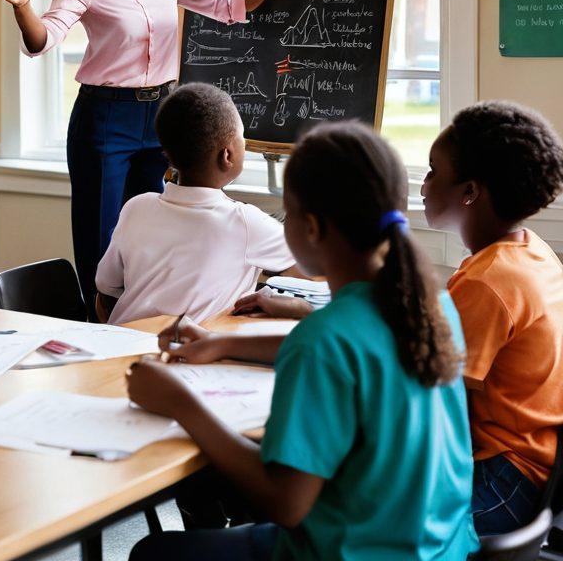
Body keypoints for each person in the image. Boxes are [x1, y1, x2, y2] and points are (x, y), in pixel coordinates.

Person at [125, 122, 477, 560]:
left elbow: (286, 505)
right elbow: (351, 351)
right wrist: (220, 343)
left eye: (285, 214)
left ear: (310, 228)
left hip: (345, 552)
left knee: (153, 553)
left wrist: (182, 404)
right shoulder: (432, 306)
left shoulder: (323, 342)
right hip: (439, 548)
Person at [0, 0, 322, 310]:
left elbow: (231, 6)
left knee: (155, 230)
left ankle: (145, 325)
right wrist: (24, 5)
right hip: (105, 119)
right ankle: (97, 336)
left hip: (162, 117)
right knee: (100, 238)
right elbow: (42, 40)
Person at [421, 100, 563, 536]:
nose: (424, 185)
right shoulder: (529, 250)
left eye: (433, 171)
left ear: (469, 192)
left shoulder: (488, 282)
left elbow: (441, 406)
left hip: (502, 477)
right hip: (534, 465)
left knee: (353, 515)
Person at [94, 83, 298, 325]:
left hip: (122, 348)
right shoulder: (245, 222)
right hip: (186, 353)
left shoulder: (136, 207)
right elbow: (309, 266)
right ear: (227, 155)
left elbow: (106, 285)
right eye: (242, 139)